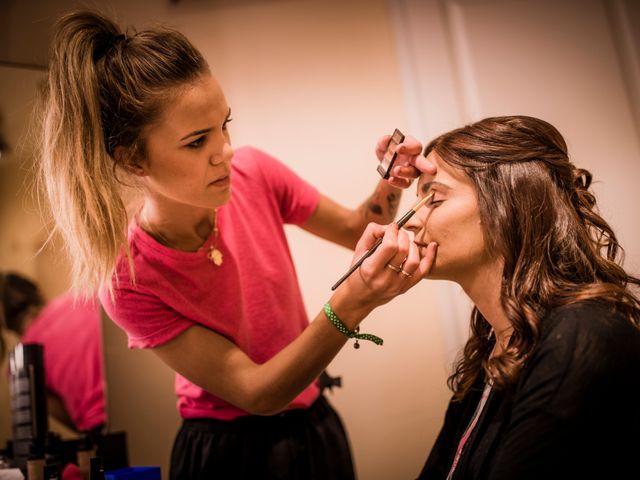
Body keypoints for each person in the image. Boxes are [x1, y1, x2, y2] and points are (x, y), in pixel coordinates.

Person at [37, 10, 437, 480]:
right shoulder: (129, 278)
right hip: (227, 455)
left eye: (224, 124)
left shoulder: (254, 172)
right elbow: (256, 390)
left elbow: (355, 230)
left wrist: (392, 181)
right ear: (133, 159)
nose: (224, 150)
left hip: (315, 427)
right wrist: (351, 303)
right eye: (196, 141)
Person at [402, 115, 640, 479]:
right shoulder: (493, 351)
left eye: (433, 198)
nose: (411, 222)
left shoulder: (581, 336)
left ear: (507, 204)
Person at [0, 272, 106, 434]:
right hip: (139, 395)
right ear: (37, 292)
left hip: (102, 425)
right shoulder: (80, 296)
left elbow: (67, 418)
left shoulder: (22, 361)